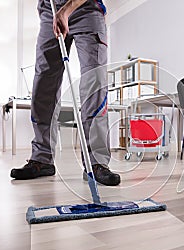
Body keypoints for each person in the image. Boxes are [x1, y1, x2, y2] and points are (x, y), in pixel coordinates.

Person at [10, 0, 120, 186]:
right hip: (50, 10)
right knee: (43, 85)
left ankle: (96, 162)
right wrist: (53, 11)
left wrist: (66, 10)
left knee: (94, 84)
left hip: (87, 9)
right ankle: (42, 159)